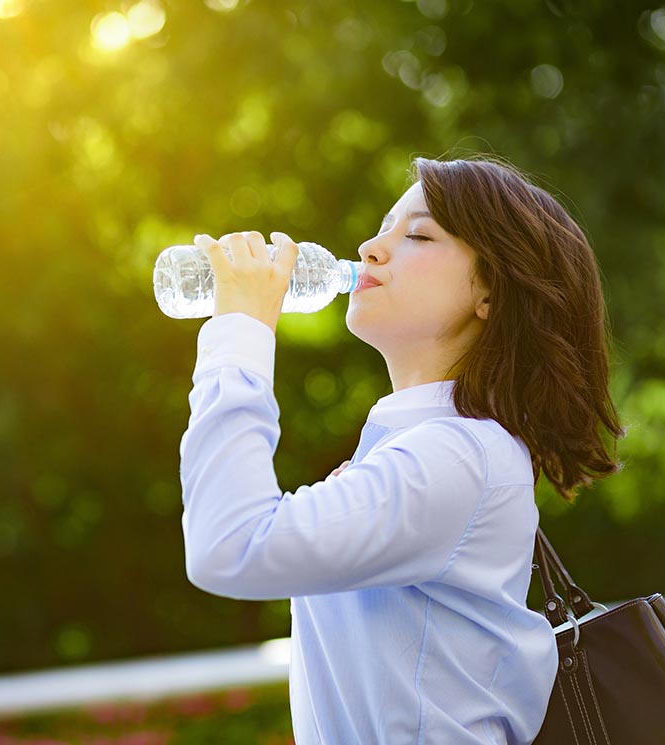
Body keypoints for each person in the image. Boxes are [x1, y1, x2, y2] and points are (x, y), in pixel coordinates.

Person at [179, 156, 623, 744]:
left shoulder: (460, 456)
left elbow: (230, 546)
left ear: (490, 291)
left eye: (416, 234)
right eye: (383, 228)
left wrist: (239, 333)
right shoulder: (417, 453)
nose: (369, 248)